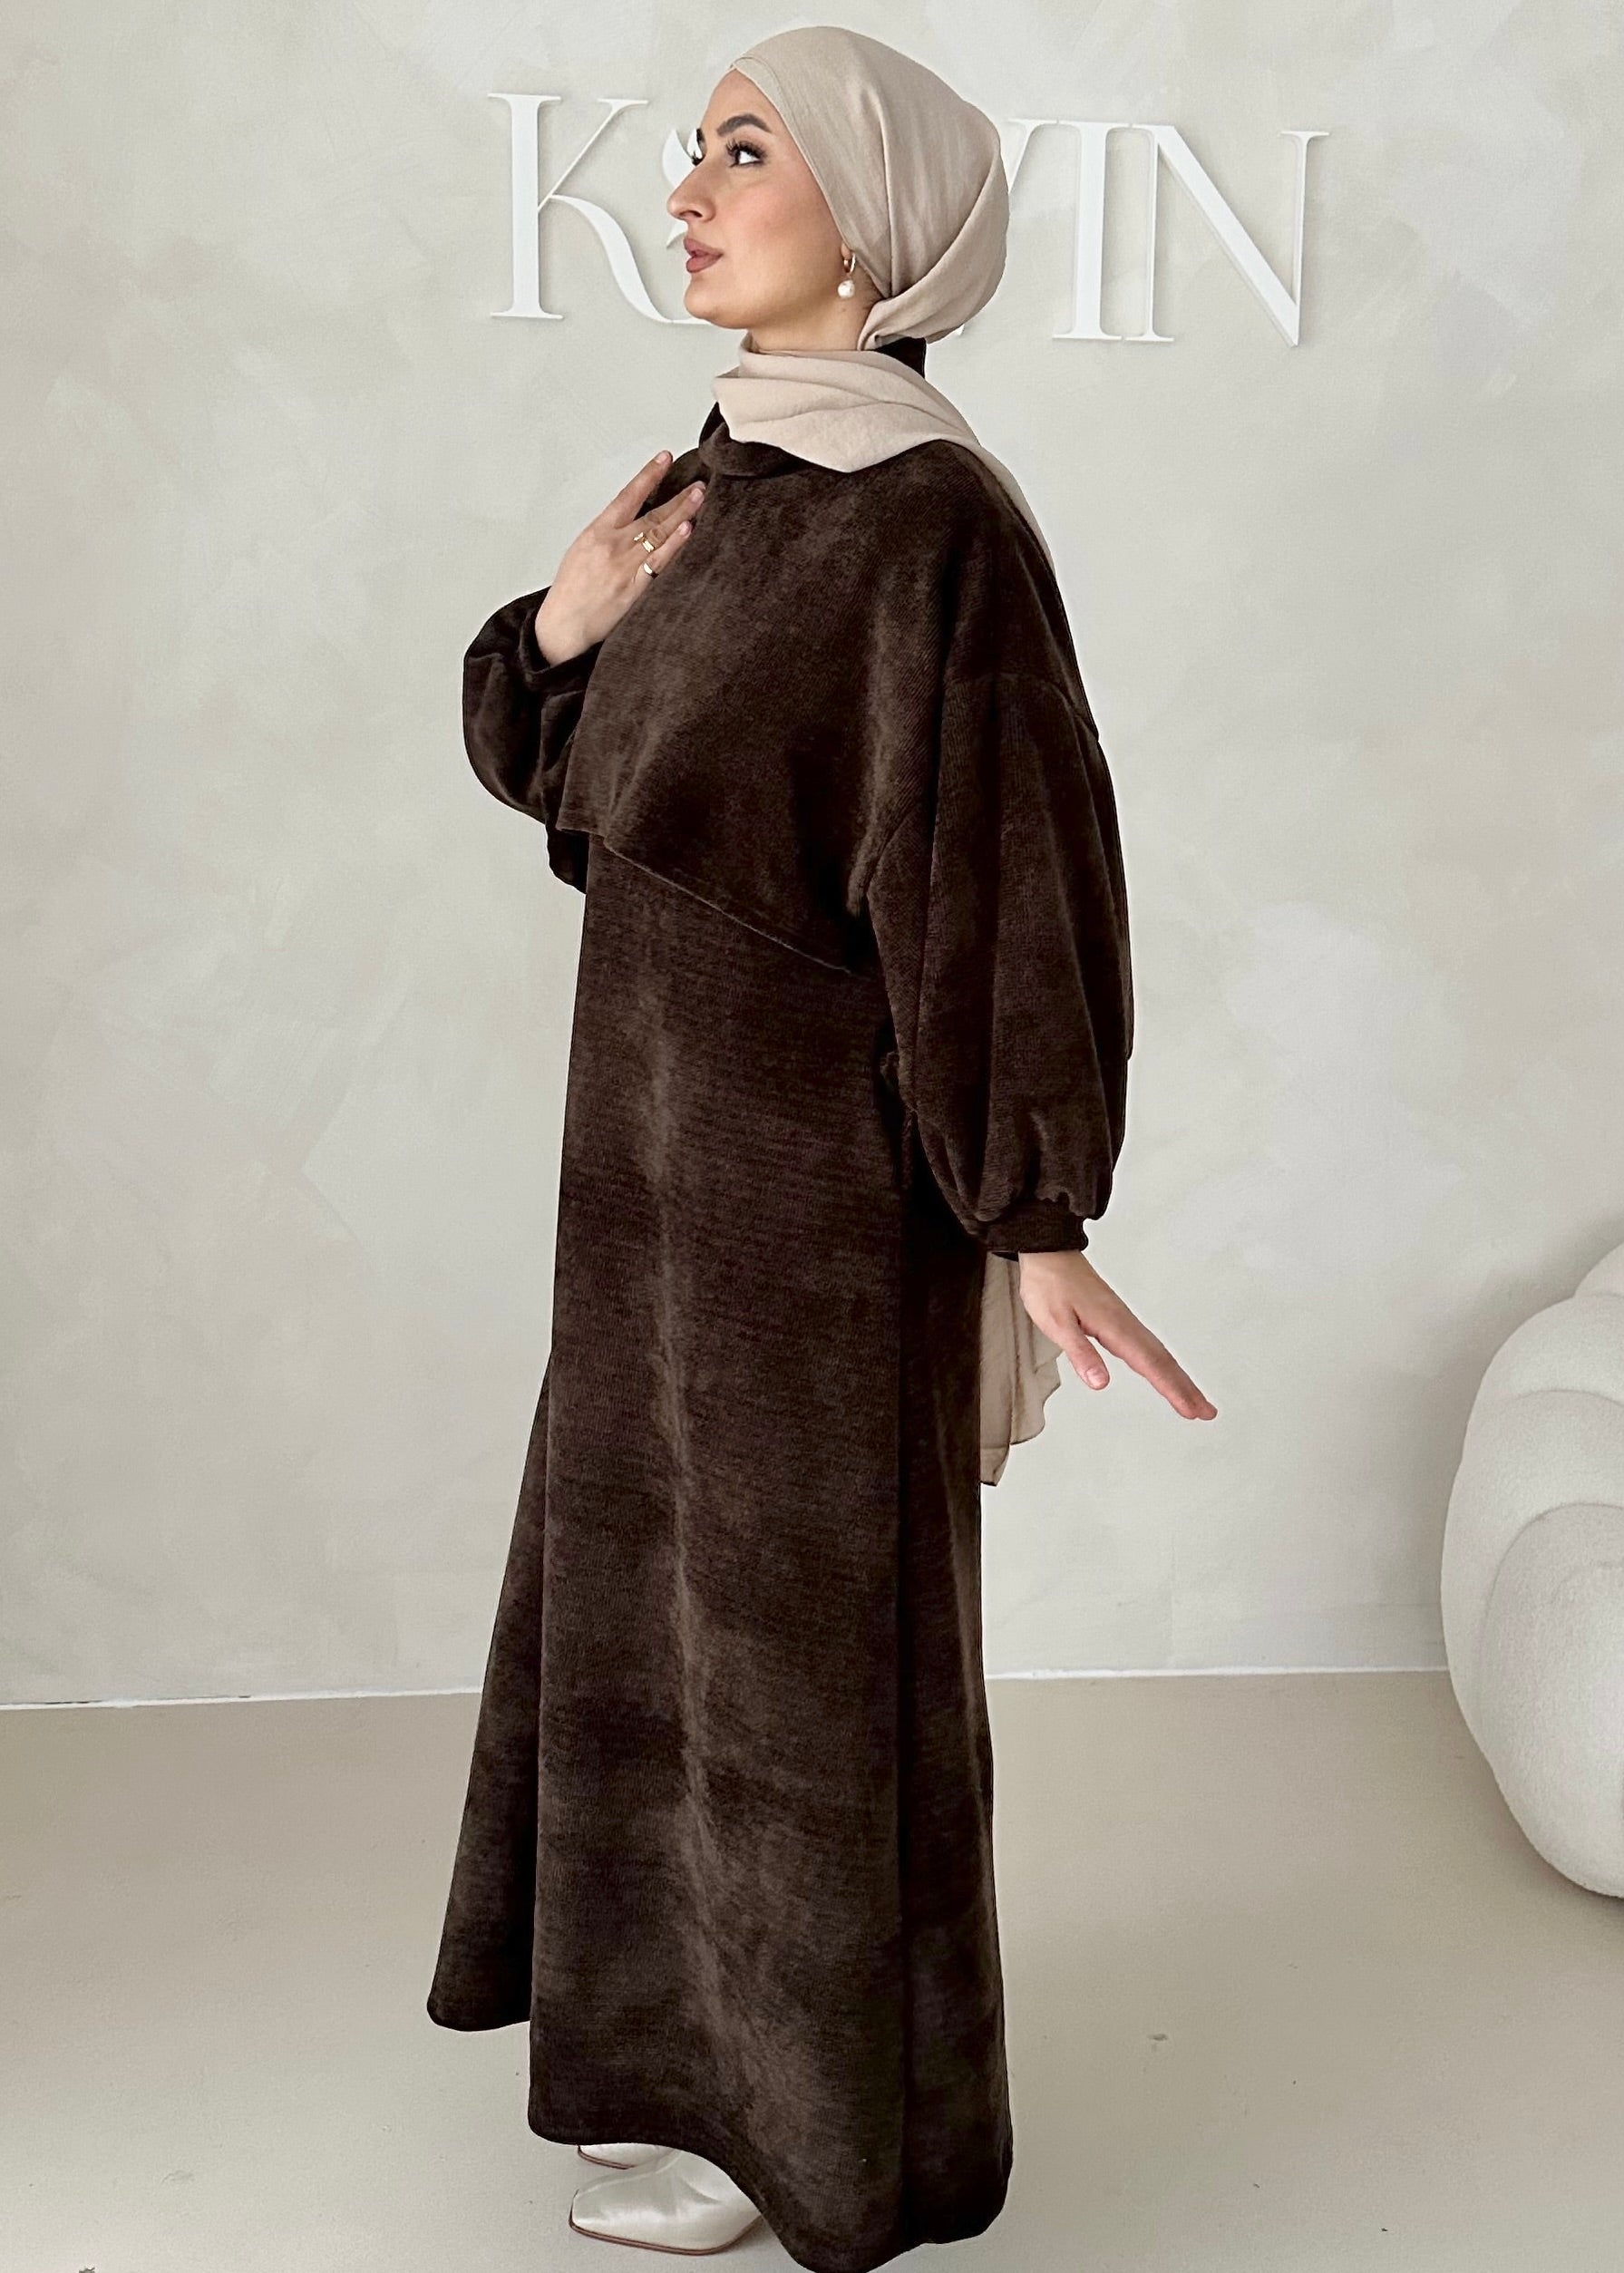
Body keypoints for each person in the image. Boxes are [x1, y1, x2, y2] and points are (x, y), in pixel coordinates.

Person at [426, 24, 1217, 2271]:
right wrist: (558, 629)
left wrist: (1030, 1211)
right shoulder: (717, 485)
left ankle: (819, 2134)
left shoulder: (929, 522)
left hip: (806, 1207)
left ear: (871, 224)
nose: (685, 193)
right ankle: (695, 2089)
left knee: (794, 1677)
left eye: (743, 153)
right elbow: (586, 792)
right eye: (690, 152)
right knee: (656, 1641)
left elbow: (1004, 871)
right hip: (642, 1190)